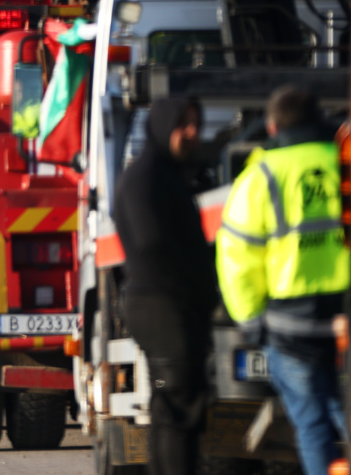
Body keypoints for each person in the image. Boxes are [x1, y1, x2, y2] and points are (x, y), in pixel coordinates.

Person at [216, 84, 350, 475]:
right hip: (349, 318)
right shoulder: (346, 160)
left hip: (290, 328)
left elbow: (237, 257)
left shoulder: (259, 178)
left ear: (272, 128)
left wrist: (251, 320)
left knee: (311, 426)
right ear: (320, 120)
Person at [113, 96, 216, 475]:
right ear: (161, 125)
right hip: (163, 306)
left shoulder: (168, 175)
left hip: (171, 306)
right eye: (182, 124)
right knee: (179, 409)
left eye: (196, 123)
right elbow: (152, 244)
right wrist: (193, 291)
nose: (192, 133)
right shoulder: (147, 177)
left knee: (171, 408)